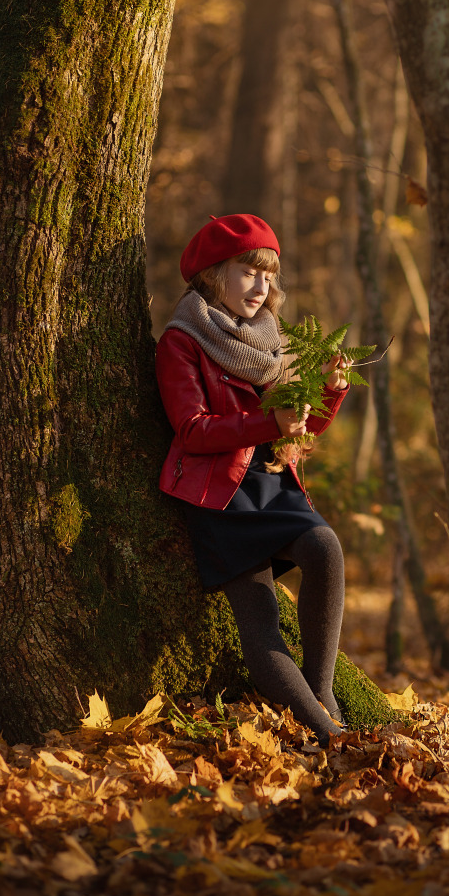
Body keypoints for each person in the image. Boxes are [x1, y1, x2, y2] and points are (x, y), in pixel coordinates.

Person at [155, 213, 350, 746]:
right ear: (214, 274)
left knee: (325, 549)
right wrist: (270, 422)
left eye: (269, 276)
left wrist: (329, 392)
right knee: (259, 620)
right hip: (219, 496)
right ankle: (329, 736)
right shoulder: (183, 340)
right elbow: (192, 431)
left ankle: (324, 696)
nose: (261, 287)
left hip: (272, 481)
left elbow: (299, 426)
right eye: (248, 272)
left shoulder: (274, 341)